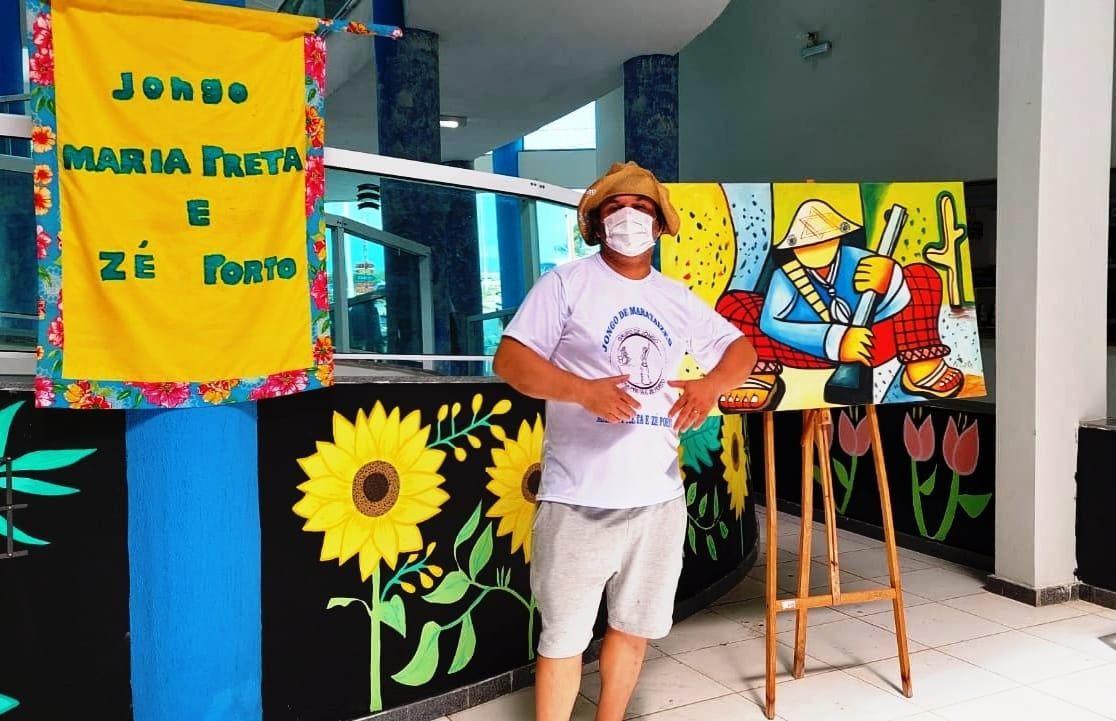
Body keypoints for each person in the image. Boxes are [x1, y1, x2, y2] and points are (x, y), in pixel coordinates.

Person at [492, 161, 757, 721]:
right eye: (614, 207)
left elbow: (741, 351)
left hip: (658, 500)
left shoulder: (675, 297)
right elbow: (511, 360)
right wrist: (581, 391)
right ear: (596, 223)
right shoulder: (566, 284)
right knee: (563, 638)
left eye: (641, 207)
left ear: (659, 224)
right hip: (577, 499)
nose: (628, 217)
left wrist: (711, 385)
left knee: (634, 628)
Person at [715, 198, 964, 412]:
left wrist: (892, 280)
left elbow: (897, 306)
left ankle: (922, 365)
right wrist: (835, 340)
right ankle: (757, 374)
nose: (815, 248)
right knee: (734, 305)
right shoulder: (785, 277)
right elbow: (771, 324)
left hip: (872, 342)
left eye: (823, 240)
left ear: (838, 238)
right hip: (807, 349)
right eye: (805, 243)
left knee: (920, 276)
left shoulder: (863, 260)